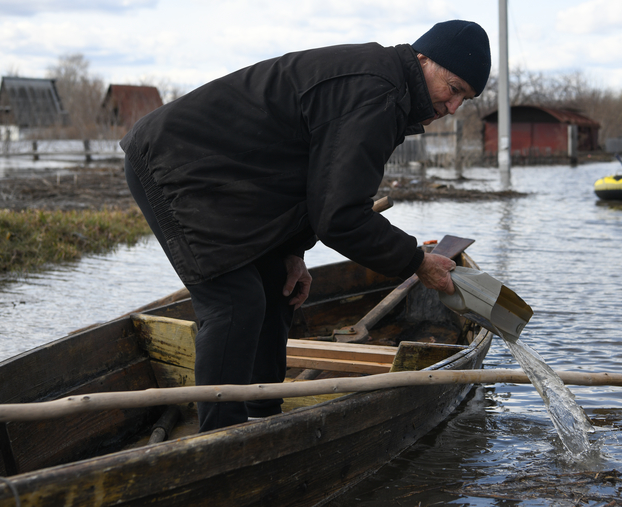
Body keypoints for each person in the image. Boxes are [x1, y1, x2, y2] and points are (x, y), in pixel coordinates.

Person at [121, 20, 492, 432]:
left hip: (233, 182)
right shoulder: (377, 93)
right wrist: (417, 261)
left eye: (466, 99)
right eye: (454, 88)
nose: (454, 106)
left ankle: (262, 418)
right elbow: (341, 217)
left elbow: (316, 182)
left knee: (277, 287)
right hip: (176, 166)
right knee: (235, 302)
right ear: (423, 59)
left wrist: (293, 251)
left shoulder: (384, 86)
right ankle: (221, 442)